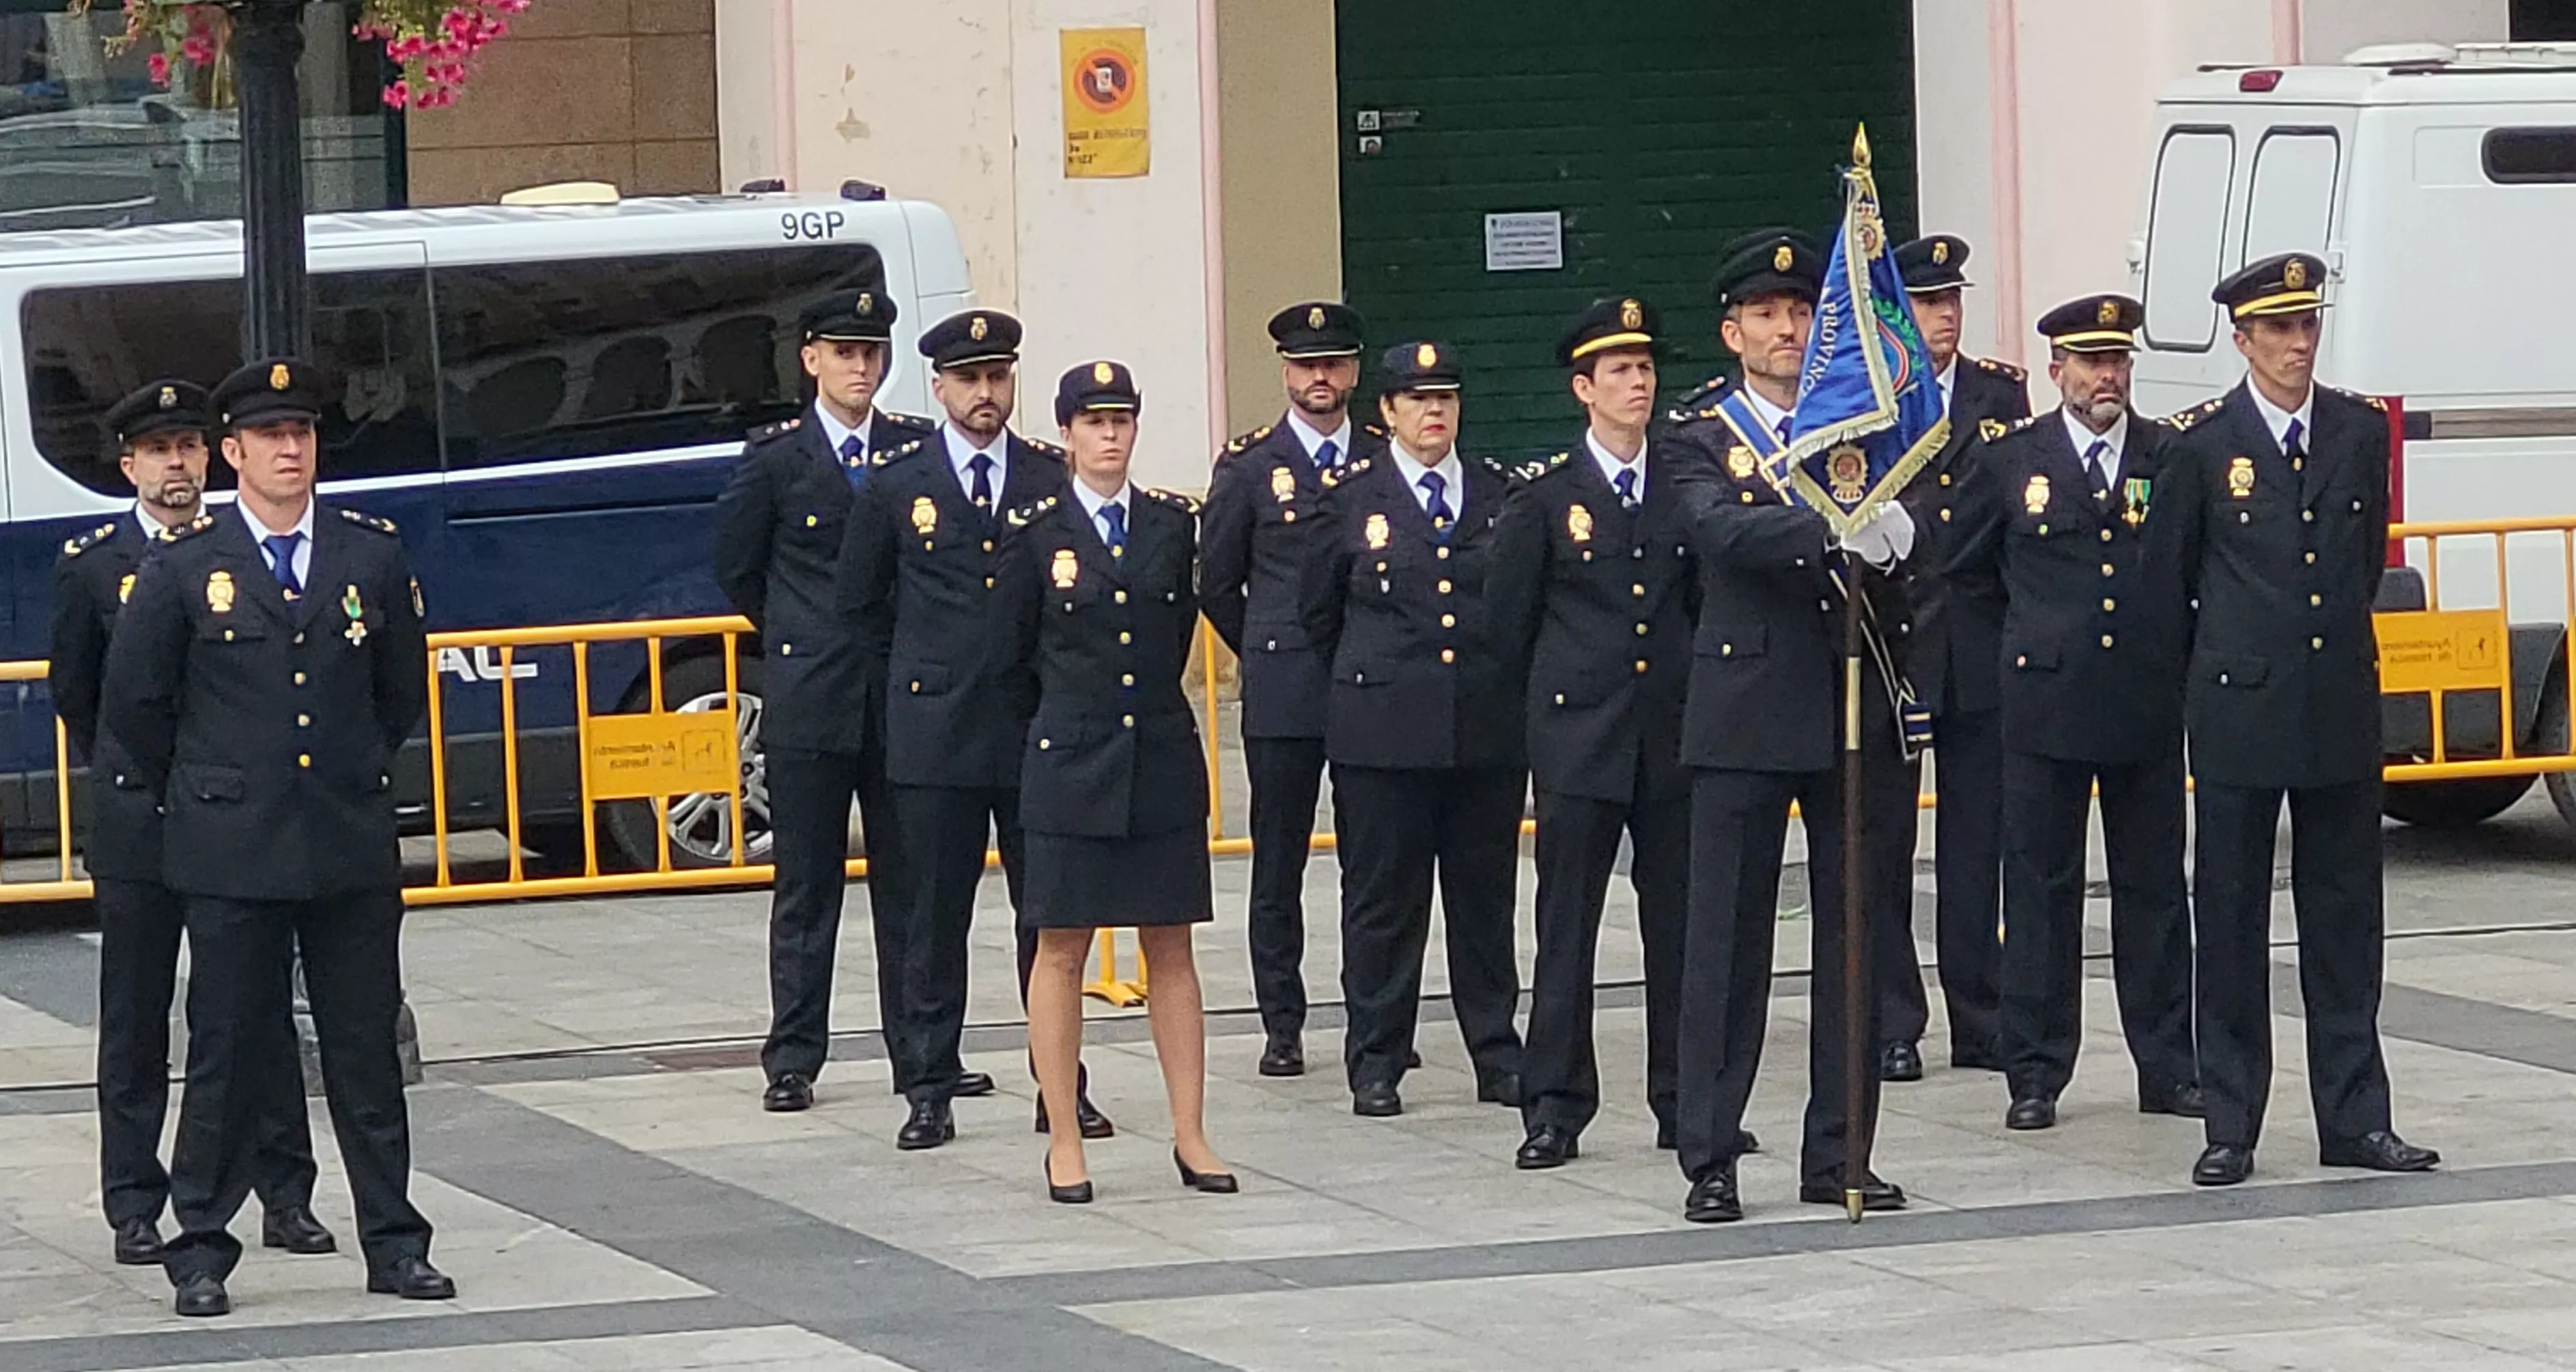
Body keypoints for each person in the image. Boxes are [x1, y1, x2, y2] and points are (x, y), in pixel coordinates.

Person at [102, 358, 448, 1317]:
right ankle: (201, 1245)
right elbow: (136, 705)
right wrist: (215, 783)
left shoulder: (367, 554)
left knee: (363, 1052)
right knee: (227, 1049)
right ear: (232, 453)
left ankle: (394, 1239)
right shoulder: (184, 565)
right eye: (269, 436)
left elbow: (396, 693)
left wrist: (347, 772)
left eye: (302, 432)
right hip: (231, 845)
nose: (290, 449)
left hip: (342, 839)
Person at [2156, 253, 2437, 1188]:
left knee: (2347, 918)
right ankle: (2230, 1120)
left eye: (2307, 324)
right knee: (2231, 918)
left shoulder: (2357, 430)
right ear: (2241, 340)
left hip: (2337, 707)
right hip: (2240, 704)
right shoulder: (2197, 444)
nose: (2297, 343)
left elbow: (2361, 563)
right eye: (2277, 329)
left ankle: (2356, 1116)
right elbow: (2173, 582)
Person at [1665, 229, 1921, 1222]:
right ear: (1732, 332)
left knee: (1853, 940)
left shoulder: (1856, 425)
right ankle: (1711, 1152)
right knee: (1726, 944)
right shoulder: (1701, 434)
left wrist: (1899, 536)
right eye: (1766, 315)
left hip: (1846, 705)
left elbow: (1915, 519)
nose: (1786, 328)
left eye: (1800, 312)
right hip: (1742, 712)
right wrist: (1828, 523)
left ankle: (1841, 1151)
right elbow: (1715, 531)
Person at [52, 380, 332, 1271]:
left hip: (233, 819)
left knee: (249, 1009)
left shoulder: (237, 549)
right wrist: (142, 774)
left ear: (211, 456)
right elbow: (81, 693)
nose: (177, 463)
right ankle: (135, 1199)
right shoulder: (94, 564)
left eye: (188, 446)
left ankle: (284, 1191)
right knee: (135, 1014)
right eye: (157, 450)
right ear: (129, 465)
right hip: (142, 816)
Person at [838, 309, 1109, 1151]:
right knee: (932, 916)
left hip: (1033, 728)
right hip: (935, 730)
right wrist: (919, 682)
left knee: (1050, 917)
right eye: (968, 379)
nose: (985, 394)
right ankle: (927, 1083)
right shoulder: (897, 482)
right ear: (938, 387)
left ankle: (1059, 1085)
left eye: (997, 377)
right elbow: (861, 602)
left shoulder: (1045, 475)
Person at [1932, 294, 2199, 1130]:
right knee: (2041, 889)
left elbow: (2190, 563)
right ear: (2057, 373)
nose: (2104, 377)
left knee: (2152, 891)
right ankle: (2035, 1069)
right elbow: (1965, 568)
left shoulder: (2168, 455)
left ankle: (2167, 1064)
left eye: (2116, 361)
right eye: (2088, 363)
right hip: (2044, 704)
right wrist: (2024, 641)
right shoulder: (2014, 458)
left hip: (2143, 702)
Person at [713, 289, 956, 1115]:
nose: (860, 367)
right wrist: (797, 634)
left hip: (898, 696)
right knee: (806, 887)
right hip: (813, 696)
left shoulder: (912, 451)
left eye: (872, 353)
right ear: (810, 358)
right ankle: (793, 1055)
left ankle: (921, 1054)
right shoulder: (776, 458)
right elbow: (739, 568)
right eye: (844, 352)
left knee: (911, 887)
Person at [1002, 361, 1236, 1204]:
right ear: (1064, 433)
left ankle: (1190, 1131)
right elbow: (1013, 653)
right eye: (1093, 422)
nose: (1110, 436)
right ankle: (1065, 1135)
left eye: (1122, 421)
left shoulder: (1171, 526)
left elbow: (1174, 631)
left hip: (1159, 759)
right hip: (1070, 758)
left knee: (1169, 944)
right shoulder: (1033, 532)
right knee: (1060, 947)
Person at [1488, 297, 1695, 1166]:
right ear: (1583, 389)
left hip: (1672, 736)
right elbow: (1509, 626)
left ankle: (1687, 1099)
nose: (1637, 383)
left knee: (1682, 927)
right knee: (1567, 924)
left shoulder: (1687, 480)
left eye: (1645, 368)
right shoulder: (1544, 499)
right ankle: (1554, 1103)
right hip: (1579, 739)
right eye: (1618, 370)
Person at [1302, 340, 1526, 1117]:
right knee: (1381, 905)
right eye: (1417, 399)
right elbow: (1316, 612)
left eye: (1446, 398)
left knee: (1483, 901)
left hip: (1482, 733)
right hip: (1381, 734)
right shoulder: (1347, 499)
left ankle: (1496, 1052)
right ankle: (1376, 1057)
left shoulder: (1499, 494)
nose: (1435, 412)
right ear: (1387, 412)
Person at [1199, 301, 1385, 1078]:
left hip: (1371, 686)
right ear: (1284, 371)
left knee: (1374, 863)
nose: (1321, 378)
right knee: (1276, 863)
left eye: (1334, 363)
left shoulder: (1381, 458)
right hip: (1283, 687)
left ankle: (1374, 1015)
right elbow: (1218, 583)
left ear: (1353, 370)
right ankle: (1282, 1020)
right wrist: (1268, 648)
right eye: (1307, 365)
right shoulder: (1248, 465)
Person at [1882, 234, 2030, 1082]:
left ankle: (1979, 1012)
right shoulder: (1868, 396)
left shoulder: (1997, 393)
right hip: (1896, 635)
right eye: (1927, 303)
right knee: (1885, 838)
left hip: (1976, 637)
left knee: (1979, 839)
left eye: (1951, 302)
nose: (1944, 318)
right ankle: (1894, 1018)